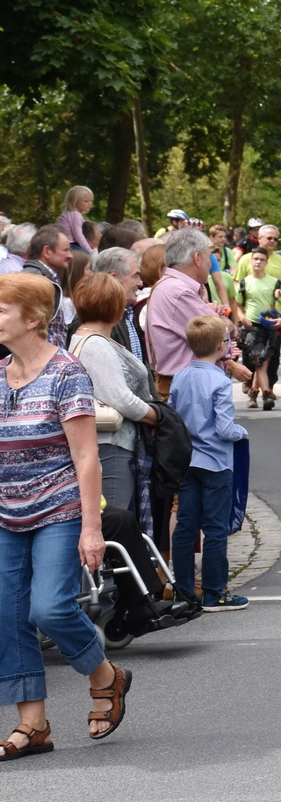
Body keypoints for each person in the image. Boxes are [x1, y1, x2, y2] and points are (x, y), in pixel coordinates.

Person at [0, 274, 134, 754]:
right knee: (7, 614)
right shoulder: (0, 375)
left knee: (49, 608)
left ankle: (105, 674)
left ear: (33, 320)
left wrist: (92, 529)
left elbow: (86, 457)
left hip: (58, 508)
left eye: (1, 310)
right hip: (6, 513)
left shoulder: (65, 372)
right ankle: (32, 724)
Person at [166, 315, 249, 610]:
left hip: (188, 461)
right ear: (220, 346)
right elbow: (225, 429)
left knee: (186, 525)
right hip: (216, 462)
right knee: (215, 529)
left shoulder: (180, 376)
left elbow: (173, 419)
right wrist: (243, 433)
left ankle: (184, 590)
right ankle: (214, 591)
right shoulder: (219, 380)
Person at [68, 274, 158, 518]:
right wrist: (159, 417)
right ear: (113, 305)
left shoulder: (90, 339)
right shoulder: (95, 344)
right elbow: (121, 399)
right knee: (115, 519)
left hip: (113, 443)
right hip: (112, 444)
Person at [147, 229, 247, 402]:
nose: (211, 264)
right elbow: (217, 334)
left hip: (185, 386)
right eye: (210, 257)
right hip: (187, 390)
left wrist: (217, 320)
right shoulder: (178, 291)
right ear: (197, 258)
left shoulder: (174, 287)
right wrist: (226, 324)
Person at [235, 248, 281, 410]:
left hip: (270, 326)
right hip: (252, 327)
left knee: (264, 362)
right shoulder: (244, 283)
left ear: (266, 262)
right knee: (259, 360)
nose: (258, 262)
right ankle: (267, 393)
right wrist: (242, 318)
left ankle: (253, 393)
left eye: (262, 259)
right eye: (255, 259)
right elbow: (237, 305)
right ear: (250, 261)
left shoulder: (274, 282)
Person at [22, 224, 77, 348]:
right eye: (65, 250)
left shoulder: (44, 277)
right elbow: (27, 328)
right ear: (47, 251)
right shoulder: (33, 280)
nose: (70, 256)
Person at [56, 187, 95, 255]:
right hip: (70, 244)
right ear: (75, 201)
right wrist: (90, 250)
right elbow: (79, 236)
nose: (90, 204)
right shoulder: (75, 215)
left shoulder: (69, 213)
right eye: (86, 201)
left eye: (90, 201)